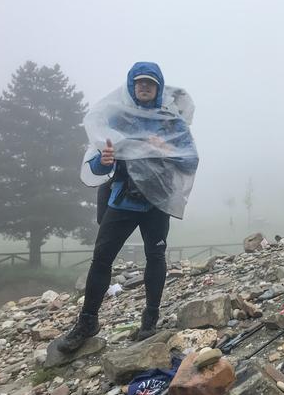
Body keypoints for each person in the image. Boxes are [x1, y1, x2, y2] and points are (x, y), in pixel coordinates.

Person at [57, 62, 198, 353]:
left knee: (155, 255)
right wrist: (104, 160)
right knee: (101, 258)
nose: (144, 87)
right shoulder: (118, 120)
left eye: (150, 83)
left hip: (157, 202)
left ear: (159, 88)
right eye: (139, 83)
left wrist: (167, 148)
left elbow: (189, 160)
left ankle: (150, 319)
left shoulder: (172, 123)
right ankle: (87, 322)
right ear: (131, 87)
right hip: (123, 200)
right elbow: (98, 164)